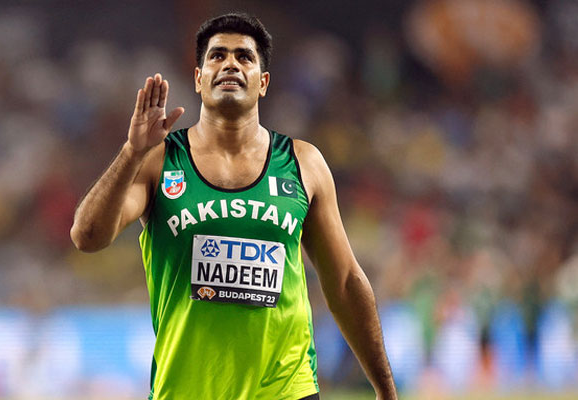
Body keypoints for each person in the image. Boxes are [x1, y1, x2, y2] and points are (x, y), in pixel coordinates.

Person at [71, 13, 397, 400]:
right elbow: (87, 237)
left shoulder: (303, 163)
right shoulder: (158, 161)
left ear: (263, 83)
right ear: (198, 78)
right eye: (217, 56)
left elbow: (344, 281)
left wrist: (385, 389)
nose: (230, 64)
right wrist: (131, 153)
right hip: (187, 391)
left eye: (244, 57)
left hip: (287, 390)